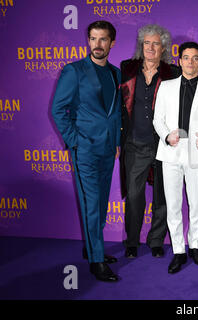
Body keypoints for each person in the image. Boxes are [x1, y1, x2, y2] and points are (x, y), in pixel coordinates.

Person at [52, 21, 121, 282]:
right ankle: (96, 260)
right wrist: (75, 141)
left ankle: (94, 247)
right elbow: (59, 110)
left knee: (101, 203)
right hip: (85, 150)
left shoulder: (115, 73)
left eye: (103, 39)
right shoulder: (74, 71)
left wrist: (115, 141)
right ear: (88, 41)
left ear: (112, 43)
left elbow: (114, 113)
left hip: (107, 150)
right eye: (93, 38)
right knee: (91, 204)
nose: (97, 44)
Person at [153, 42, 198, 274]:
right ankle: (179, 251)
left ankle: (195, 246)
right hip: (171, 153)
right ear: (179, 60)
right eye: (186, 57)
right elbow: (157, 119)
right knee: (172, 205)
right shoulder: (166, 86)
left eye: (195, 58)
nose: (190, 62)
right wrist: (166, 135)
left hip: (196, 154)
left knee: (196, 204)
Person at [119, 24, 181, 259]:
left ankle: (156, 240)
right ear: (141, 45)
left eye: (155, 43)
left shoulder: (172, 72)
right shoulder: (127, 68)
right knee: (134, 196)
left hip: (164, 145)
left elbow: (187, 95)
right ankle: (132, 242)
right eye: (147, 43)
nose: (151, 47)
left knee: (163, 196)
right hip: (134, 143)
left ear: (163, 46)